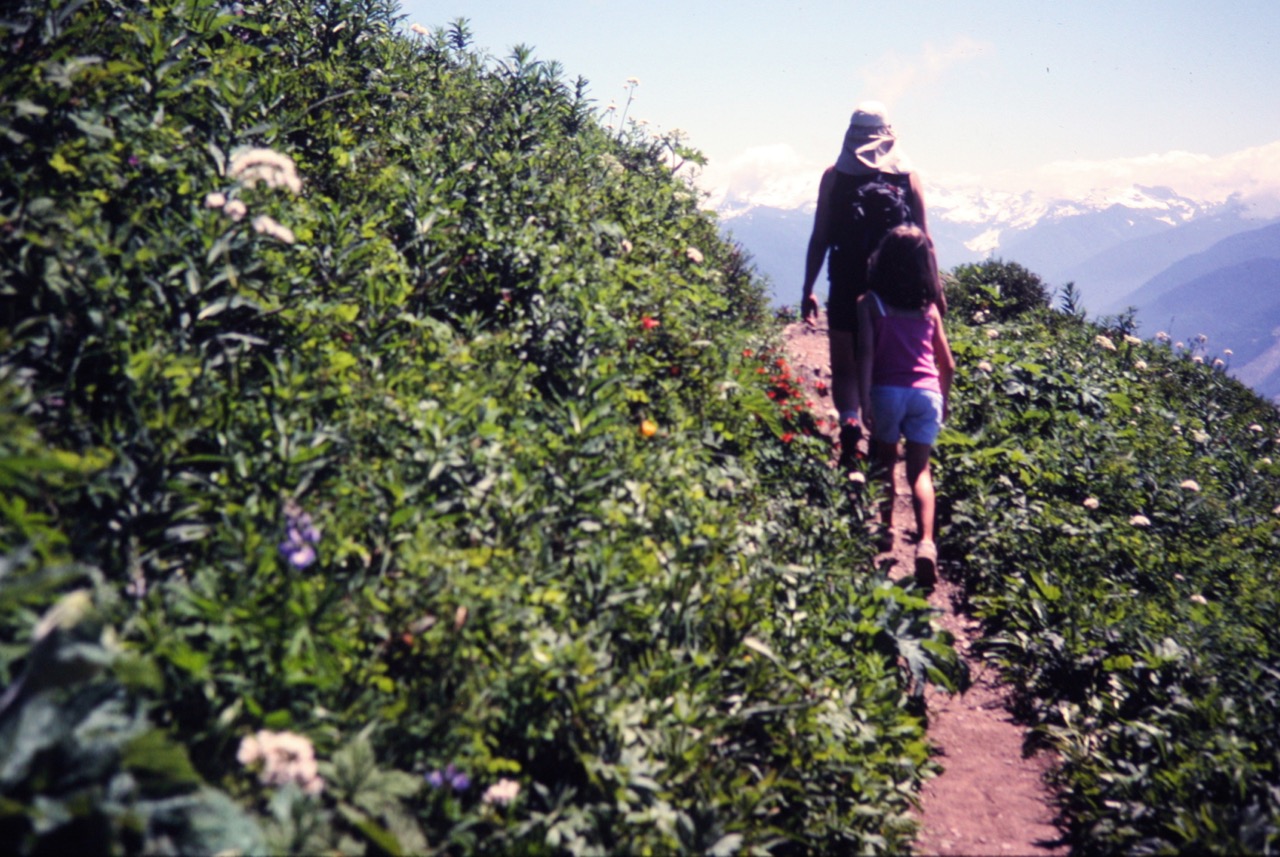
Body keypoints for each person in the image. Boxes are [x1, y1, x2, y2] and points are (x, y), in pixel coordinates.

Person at [801, 101, 936, 468]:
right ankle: (881, 437)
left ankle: (849, 421)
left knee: (844, 365)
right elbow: (925, 239)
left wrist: (807, 289)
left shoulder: (834, 176)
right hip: (895, 283)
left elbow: (820, 237)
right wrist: (935, 295)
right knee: (881, 362)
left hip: (845, 275)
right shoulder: (907, 177)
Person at [856, 224, 954, 589]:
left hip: (886, 392)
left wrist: (865, 397)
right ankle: (927, 542)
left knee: (884, 461)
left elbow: (865, 353)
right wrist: (943, 399)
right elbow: (949, 363)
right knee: (921, 472)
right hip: (927, 393)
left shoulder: (870, 304)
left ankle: (886, 529)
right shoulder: (930, 309)